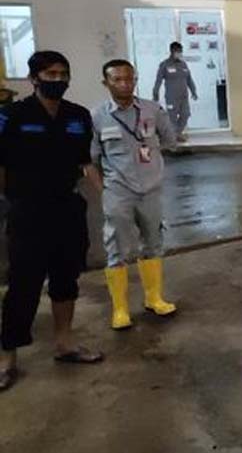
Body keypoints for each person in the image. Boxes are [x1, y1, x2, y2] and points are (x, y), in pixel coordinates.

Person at [0, 51, 105, 392]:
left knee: (66, 277)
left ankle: (65, 344)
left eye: (63, 73)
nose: (57, 79)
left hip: (67, 209)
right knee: (23, 283)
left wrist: (107, 195)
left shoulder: (77, 116)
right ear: (33, 78)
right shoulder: (11, 115)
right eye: (50, 73)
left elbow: (84, 163)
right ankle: (7, 356)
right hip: (27, 209)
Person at [92, 59, 178, 330]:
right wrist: (104, 190)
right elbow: (90, 160)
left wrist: (151, 164)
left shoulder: (153, 111)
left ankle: (154, 298)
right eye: (117, 79)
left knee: (153, 242)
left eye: (129, 79)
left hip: (150, 189)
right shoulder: (97, 117)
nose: (124, 84)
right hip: (118, 191)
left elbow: (168, 140)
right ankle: (120, 309)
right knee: (116, 247)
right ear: (106, 83)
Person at [153, 41, 198, 142]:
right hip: (171, 97)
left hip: (184, 96)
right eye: (178, 51)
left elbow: (189, 79)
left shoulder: (183, 65)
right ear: (172, 51)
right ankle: (172, 136)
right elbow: (158, 80)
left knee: (185, 114)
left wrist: (193, 91)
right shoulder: (164, 65)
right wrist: (155, 93)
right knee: (171, 118)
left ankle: (177, 133)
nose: (179, 53)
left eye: (181, 51)